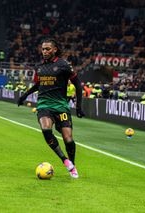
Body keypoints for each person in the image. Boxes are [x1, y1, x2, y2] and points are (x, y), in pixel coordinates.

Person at [17, 38, 85, 178]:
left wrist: (78, 107)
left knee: (68, 139)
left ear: (54, 49)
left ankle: (72, 165)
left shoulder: (64, 65)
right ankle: (64, 160)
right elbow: (38, 85)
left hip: (60, 106)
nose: (45, 51)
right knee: (46, 129)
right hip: (44, 104)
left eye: (48, 49)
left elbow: (78, 84)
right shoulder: (40, 67)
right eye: (43, 49)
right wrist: (24, 95)